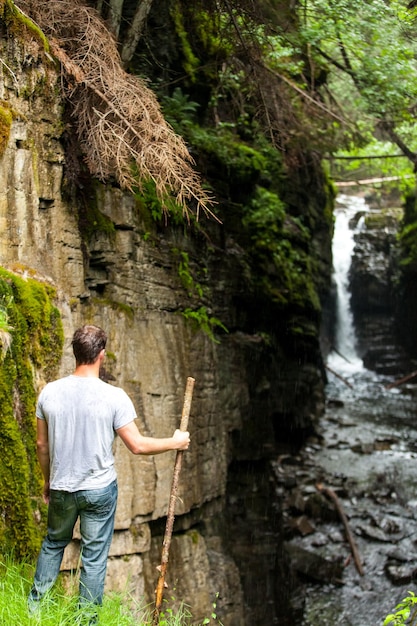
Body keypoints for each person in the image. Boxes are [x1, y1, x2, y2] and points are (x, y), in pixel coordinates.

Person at [28, 324, 190, 624]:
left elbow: (41, 444)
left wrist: (48, 481)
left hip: (63, 486)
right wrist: (176, 441)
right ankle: (86, 620)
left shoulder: (49, 392)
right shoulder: (114, 397)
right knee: (93, 557)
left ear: (75, 353)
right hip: (100, 490)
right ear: (101, 355)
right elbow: (138, 446)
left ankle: (34, 611)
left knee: (53, 543)